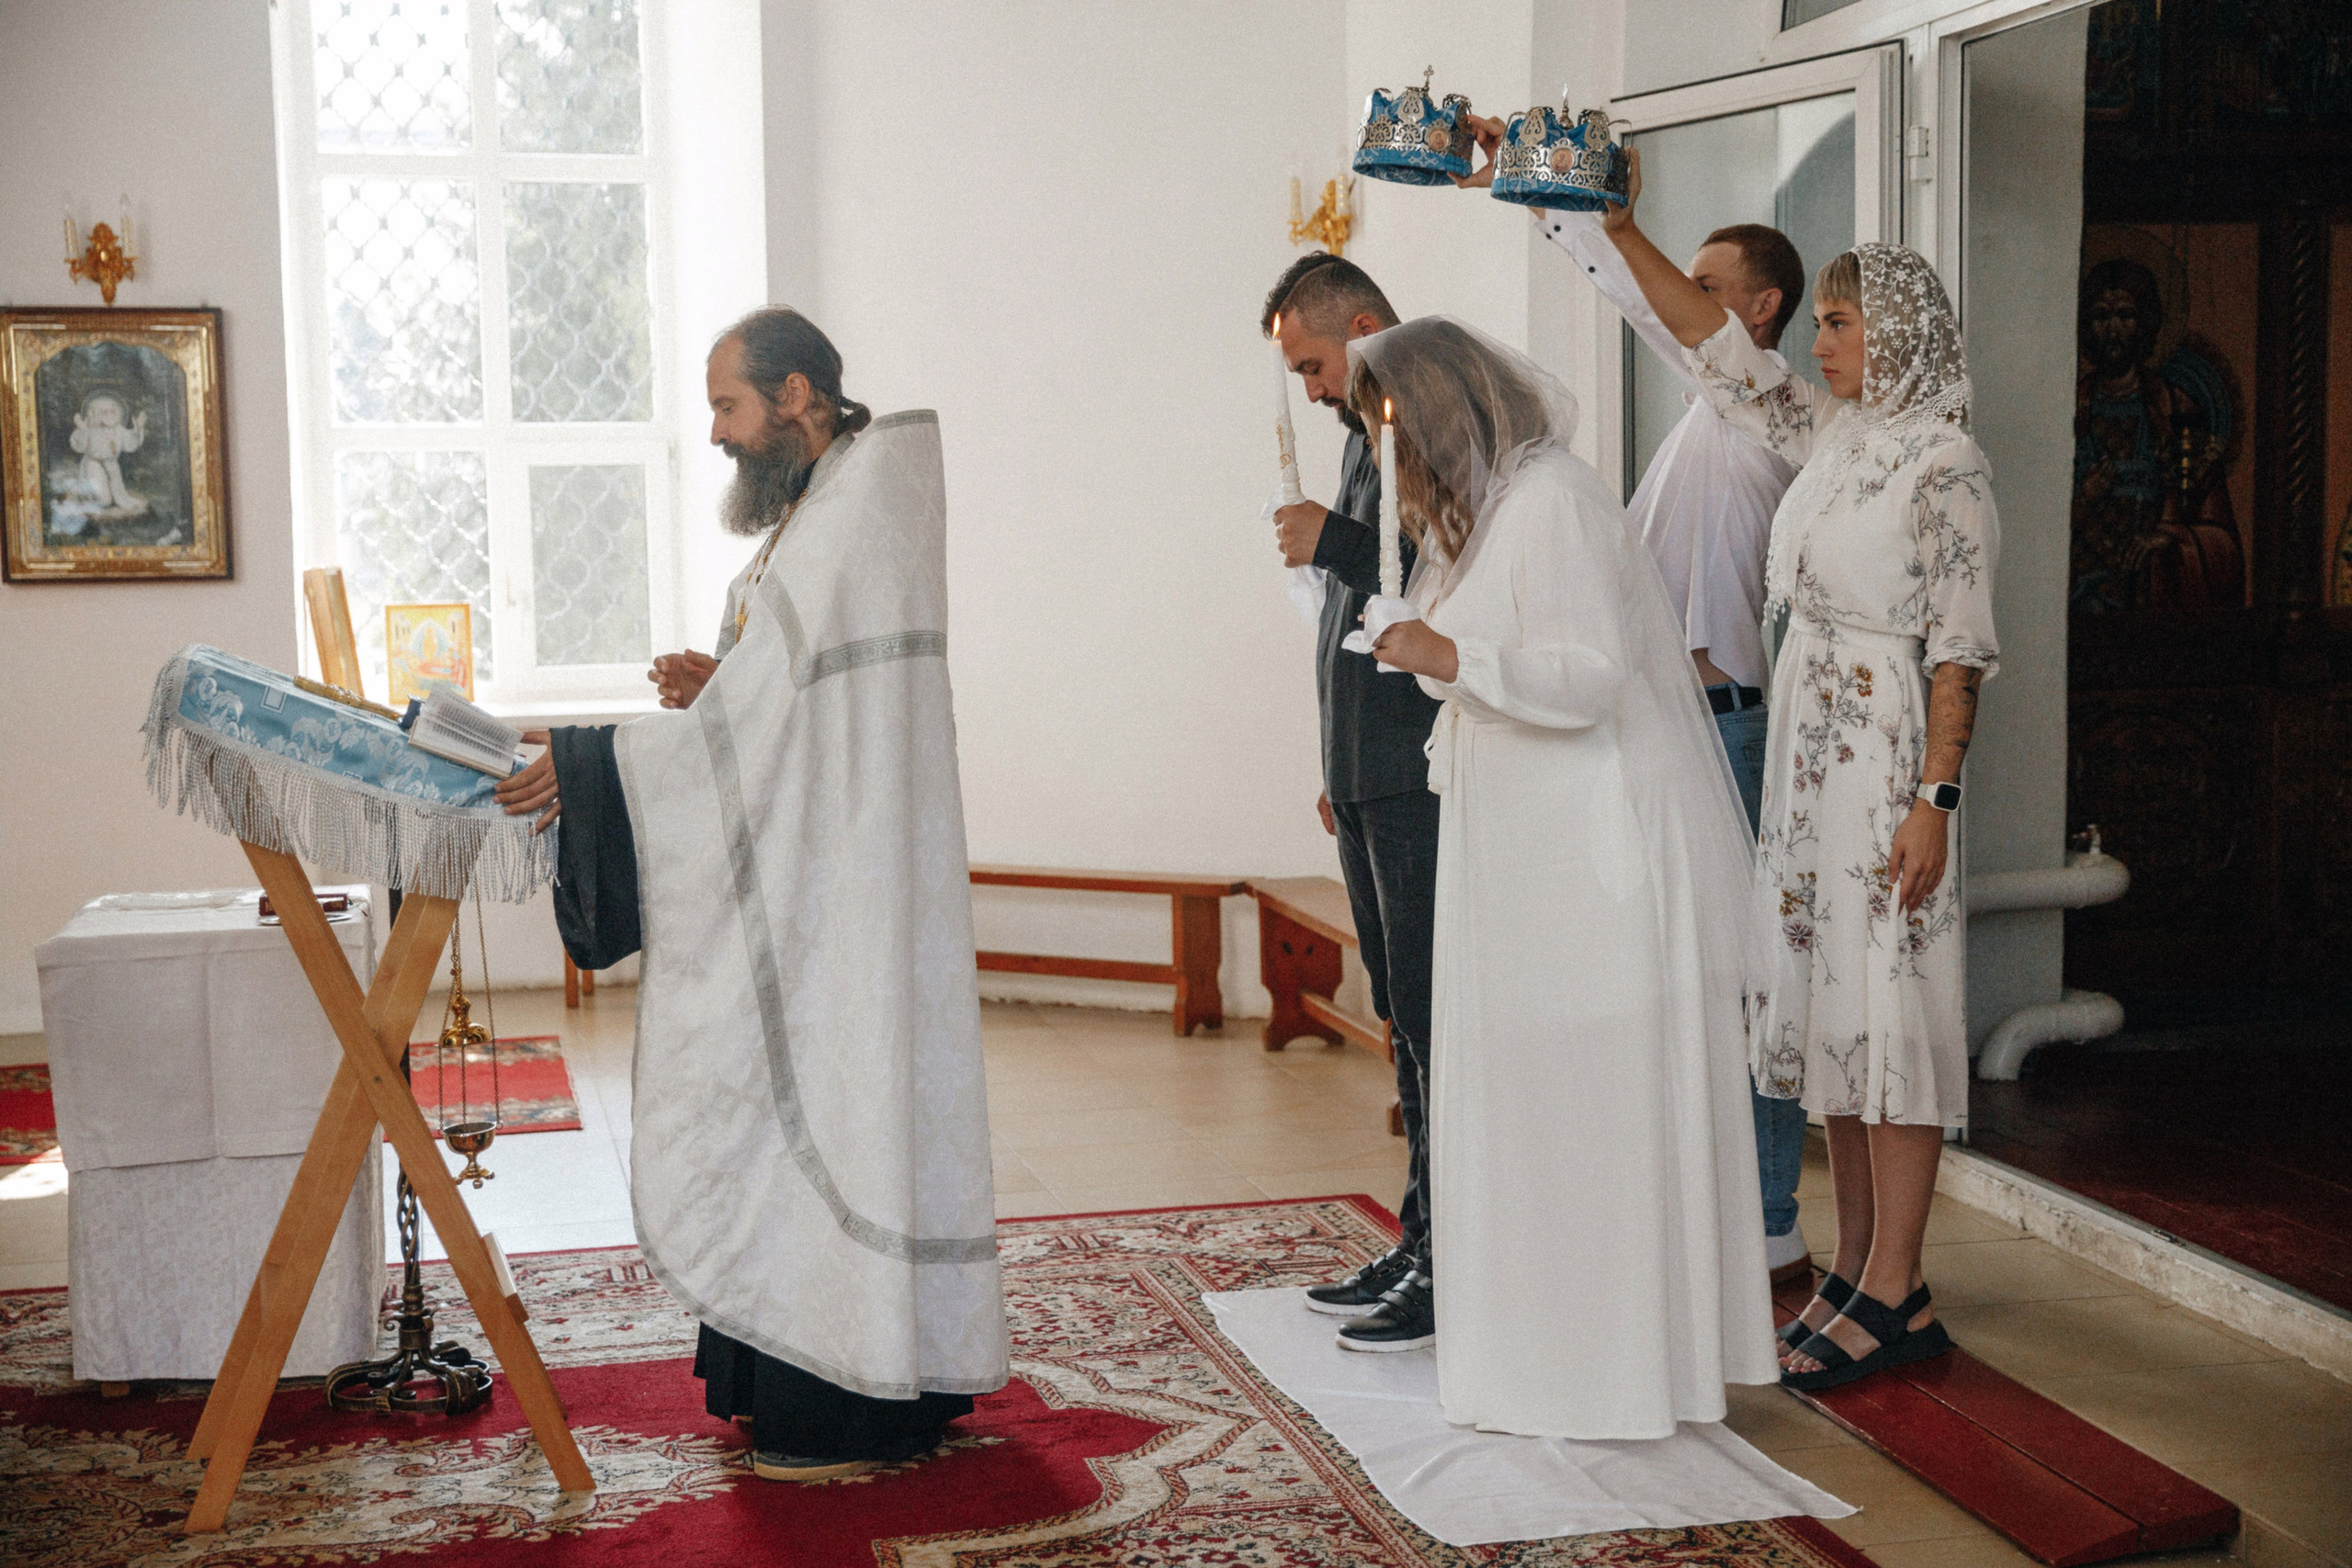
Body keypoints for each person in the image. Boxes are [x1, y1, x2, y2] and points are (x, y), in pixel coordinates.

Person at [494, 307, 1009, 1476]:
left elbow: (798, 724)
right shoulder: (824, 511)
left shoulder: (851, 513)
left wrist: (588, 762)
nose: (720, 434)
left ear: (794, 393)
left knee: (833, 1106)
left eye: (728, 407)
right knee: (821, 1108)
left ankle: (848, 1401)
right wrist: (721, 690)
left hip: (837, 893)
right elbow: (792, 713)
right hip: (819, 874)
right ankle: (856, 1377)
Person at [1603, 154, 2000, 1391]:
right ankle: (1850, 1261)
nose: (1820, 340)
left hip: (1887, 769)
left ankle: (1902, 1285)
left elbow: (1962, 646)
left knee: (1894, 1009)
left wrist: (1936, 798)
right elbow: (1715, 350)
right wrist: (1617, 227)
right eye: (1819, 321)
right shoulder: (1834, 438)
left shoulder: (1945, 461)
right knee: (1827, 1003)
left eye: (1838, 320)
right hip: (1806, 764)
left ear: (1898, 330)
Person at [1352, 314, 1778, 1438]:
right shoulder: (1487, 513)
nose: (1387, 465)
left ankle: (1613, 1371)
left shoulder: (1552, 502)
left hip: (1590, 850)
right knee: (1529, 1104)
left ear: (1436, 416)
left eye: (1391, 436)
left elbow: (1588, 676)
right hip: (1520, 841)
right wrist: (1422, 644)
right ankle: (1541, 1356)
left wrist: (1447, 657)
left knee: (1587, 1106)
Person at [1454, 114, 1816, 1288]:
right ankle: (1705, 1208)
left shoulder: (1773, 408)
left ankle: (1769, 1219)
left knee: (1744, 983)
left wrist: (1597, 216)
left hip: (1734, 730)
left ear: (1758, 310)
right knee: (1679, 979)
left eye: (1710, 288)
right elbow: (1631, 295)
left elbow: (1650, 303)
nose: (1681, 301)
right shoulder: (1708, 414)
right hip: (1672, 730)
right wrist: (1528, 186)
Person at [1263, 255, 1444, 1353]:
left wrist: (1327, 538)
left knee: (1430, 1015)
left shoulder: (1424, 420)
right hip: (1366, 772)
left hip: (1417, 773)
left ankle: (1451, 1252)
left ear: (1367, 328)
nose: (1310, 389)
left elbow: (1434, 579)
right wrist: (1334, 764)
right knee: (1398, 1015)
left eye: (1313, 363)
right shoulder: (1359, 426)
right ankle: (1422, 1234)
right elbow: (1345, 622)